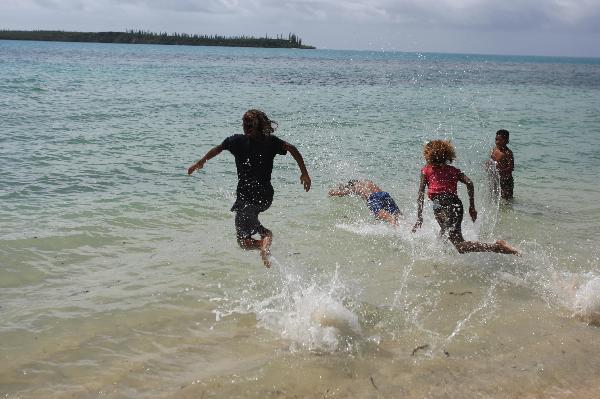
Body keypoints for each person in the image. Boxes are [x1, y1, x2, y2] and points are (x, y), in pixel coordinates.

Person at [187, 109, 311, 268]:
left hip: (246, 198)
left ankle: (263, 241)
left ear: (249, 127)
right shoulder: (270, 142)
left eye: (245, 125)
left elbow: (218, 148)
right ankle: (264, 236)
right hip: (265, 198)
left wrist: (201, 162)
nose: (244, 128)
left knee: (242, 241)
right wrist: (304, 173)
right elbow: (291, 148)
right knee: (250, 220)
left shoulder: (237, 141)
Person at [412, 140, 519, 255]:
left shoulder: (426, 170)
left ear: (429, 155)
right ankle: (440, 257)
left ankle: (497, 247)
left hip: (442, 206)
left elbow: (421, 193)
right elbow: (469, 183)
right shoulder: (453, 170)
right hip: (456, 205)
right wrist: (471, 207)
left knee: (460, 246)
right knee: (444, 233)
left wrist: (419, 217)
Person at [329, 179, 402, 225]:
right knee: (398, 215)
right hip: (385, 195)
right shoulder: (367, 182)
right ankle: (408, 226)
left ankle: (393, 221)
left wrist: (332, 192)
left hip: (372, 198)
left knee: (379, 214)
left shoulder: (356, 187)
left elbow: (341, 192)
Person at [490, 129, 514, 200]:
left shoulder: (508, 153)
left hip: (506, 181)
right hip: (495, 179)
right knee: (493, 197)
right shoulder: (494, 149)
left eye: (500, 140)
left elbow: (511, 168)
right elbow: (491, 161)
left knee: (507, 201)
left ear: (507, 141)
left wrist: (500, 171)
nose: (497, 142)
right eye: (496, 139)